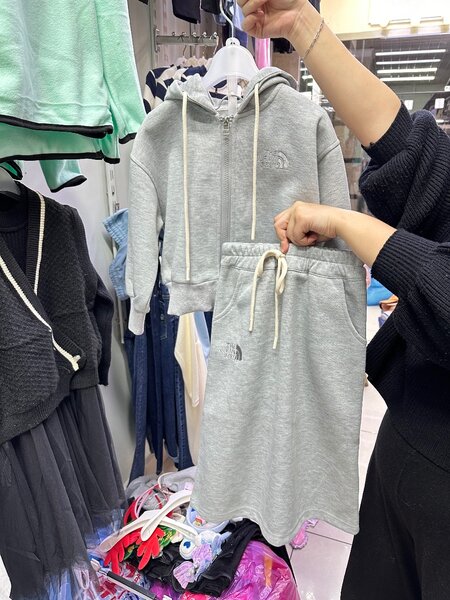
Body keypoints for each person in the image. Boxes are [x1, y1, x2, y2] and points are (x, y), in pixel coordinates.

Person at [239, 2, 450, 599]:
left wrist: (345, 223)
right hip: (402, 457)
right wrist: (300, 24)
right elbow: (416, 158)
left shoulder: (300, 123)